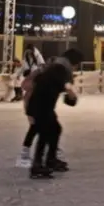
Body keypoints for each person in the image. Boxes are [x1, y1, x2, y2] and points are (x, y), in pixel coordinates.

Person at [26, 49, 82, 179]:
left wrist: (69, 93)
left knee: (55, 129)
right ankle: (37, 165)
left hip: (43, 105)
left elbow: (65, 95)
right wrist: (69, 89)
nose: (77, 67)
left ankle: (50, 160)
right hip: (41, 105)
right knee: (45, 133)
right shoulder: (60, 68)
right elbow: (63, 83)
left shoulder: (57, 67)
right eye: (77, 64)